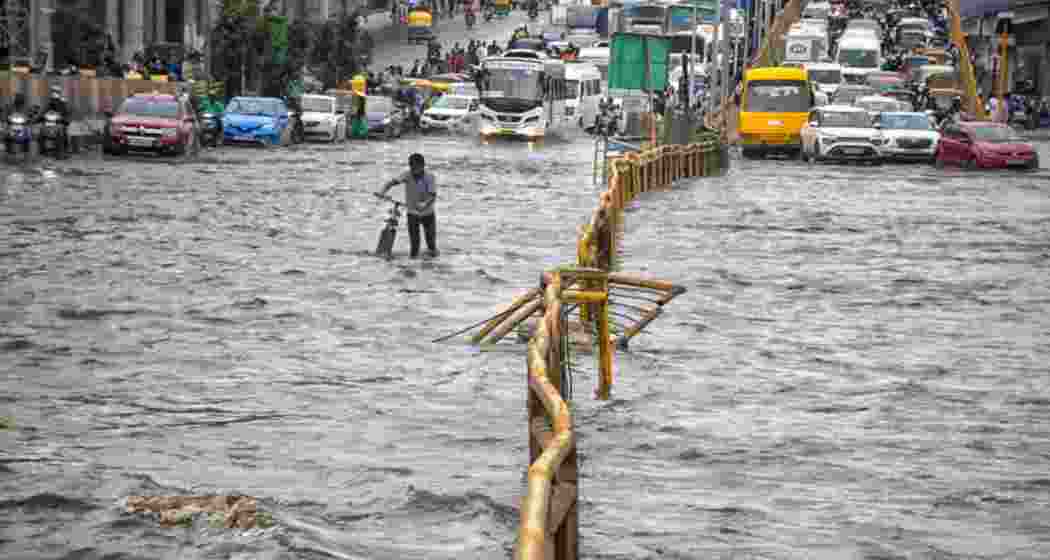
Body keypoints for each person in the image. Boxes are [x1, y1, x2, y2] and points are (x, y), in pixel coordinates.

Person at [378, 153, 439, 258]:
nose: (414, 171)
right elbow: (392, 182)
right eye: (412, 167)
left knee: (431, 244)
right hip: (412, 214)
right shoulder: (407, 174)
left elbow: (432, 196)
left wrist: (425, 204)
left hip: (428, 213)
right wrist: (382, 191)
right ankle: (412, 266)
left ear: (423, 166)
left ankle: (432, 266)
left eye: (416, 168)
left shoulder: (430, 177)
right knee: (414, 246)